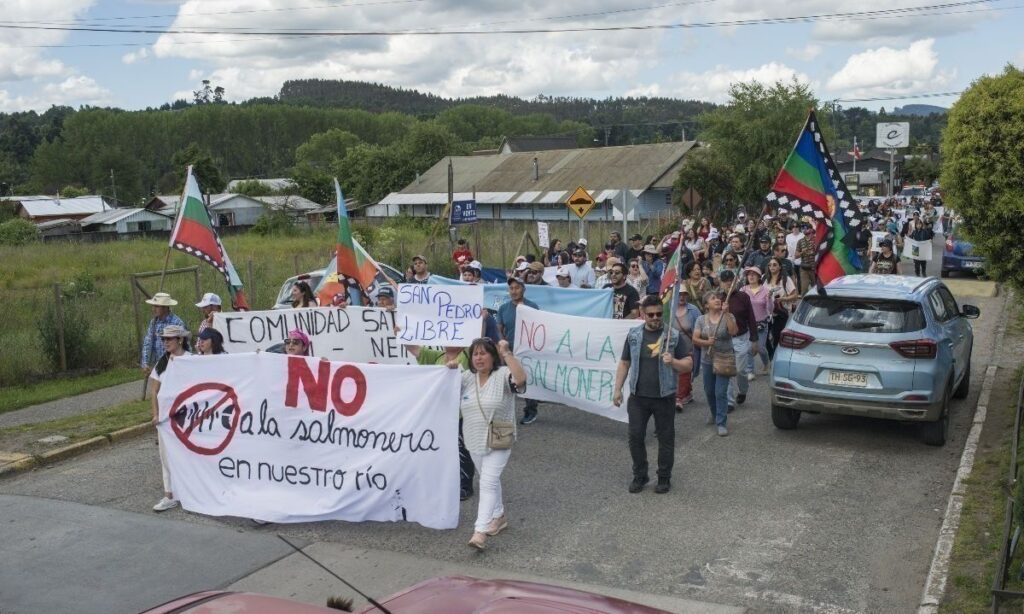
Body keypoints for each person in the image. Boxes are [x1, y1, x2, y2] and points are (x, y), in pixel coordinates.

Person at [450, 338, 527, 550]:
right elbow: (443, 390)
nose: (479, 358)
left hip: (499, 438)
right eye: (475, 354)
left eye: (484, 353)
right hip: (473, 438)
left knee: (487, 482)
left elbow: (520, 380)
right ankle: (498, 516)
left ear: (493, 356)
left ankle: (480, 530)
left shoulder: (502, 375)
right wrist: (450, 368)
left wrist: (507, 353)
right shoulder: (465, 378)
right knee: (488, 479)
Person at [612, 295, 693, 494]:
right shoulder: (634, 335)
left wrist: (673, 362)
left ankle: (664, 477)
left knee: (665, 438)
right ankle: (640, 475)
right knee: (635, 437)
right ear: (643, 315)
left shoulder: (672, 336)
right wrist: (617, 389)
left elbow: (688, 364)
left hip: (664, 397)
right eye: (651, 315)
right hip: (639, 397)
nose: (656, 317)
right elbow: (624, 363)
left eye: (659, 314)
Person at [405, 342, 475, 501]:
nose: (448, 342)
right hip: (438, 413)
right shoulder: (435, 356)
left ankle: (465, 485)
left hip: (461, 413)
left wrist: (482, 320)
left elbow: (481, 350)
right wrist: (402, 332)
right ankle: (444, 481)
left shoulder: (467, 354)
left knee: (461, 450)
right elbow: (413, 348)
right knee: (440, 449)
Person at [149, 324, 191, 512]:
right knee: (166, 457)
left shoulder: (192, 360)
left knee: (188, 455)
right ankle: (169, 494)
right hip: (166, 419)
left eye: (169, 339)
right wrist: (155, 414)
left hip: (186, 418)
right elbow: (154, 391)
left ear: (180, 340)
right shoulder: (162, 362)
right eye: (163, 339)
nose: (165, 342)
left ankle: (192, 491)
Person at [692, 290, 738, 436]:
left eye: (718, 298)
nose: (717, 300)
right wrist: (706, 342)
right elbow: (695, 339)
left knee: (720, 392)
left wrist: (727, 314)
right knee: (709, 391)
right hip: (707, 360)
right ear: (706, 305)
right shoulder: (701, 319)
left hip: (724, 358)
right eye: (713, 299)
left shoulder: (728, 316)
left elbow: (734, 331)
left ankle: (721, 422)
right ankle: (714, 412)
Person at [497, 275, 540, 425]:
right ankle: (503, 413)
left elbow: (539, 328)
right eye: (511, 288)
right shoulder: (503, 308)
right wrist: (502, 349)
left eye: (517, 287)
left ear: (524, 289)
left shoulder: (532, 307)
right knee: (506, 383)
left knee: (527, 382)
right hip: (510, 352)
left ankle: (530, 411)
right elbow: (500, 330)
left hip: (528, 351)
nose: (514, 291)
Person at [718, 270, 758, 410]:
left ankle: (742, 390)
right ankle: (729, 402)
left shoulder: (744, 297)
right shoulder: (717, 299)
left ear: (736, 281)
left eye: (731, 280)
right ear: (720, 282)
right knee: (727, 371)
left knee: (740, 370)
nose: (728, 283)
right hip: (724, 340)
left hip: (741, 338)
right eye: (725, 280)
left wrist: (754, 339)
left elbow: (751, 318)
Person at [140, 292, 186, 378]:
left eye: (157, 306)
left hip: (174, 365)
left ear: (165, 307)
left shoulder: (177, 323)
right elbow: (148, 342)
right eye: (153, 306)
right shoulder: (154, 322)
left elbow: (185, 346)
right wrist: (145, 363)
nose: (153, 309)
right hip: (159, 365)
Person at [763, 257, 799, 359]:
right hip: (768, 312)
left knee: (777, 336)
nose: (772, 267)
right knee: (764, 337)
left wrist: (783, 299)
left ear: (779, 267)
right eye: (770, 265)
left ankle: (774, 358)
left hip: (781, 312)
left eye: (774, 265)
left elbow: (795, 295)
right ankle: (771, 355)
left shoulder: (785, 279)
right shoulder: (766, 279)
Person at [672, 287, 701, 410]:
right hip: (673, 346)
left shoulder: (693, 310)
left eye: (684, 294)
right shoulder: (668, 309)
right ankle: (686, 393)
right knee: (675, 371)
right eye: (679, 294)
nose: (682, 297)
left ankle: (679, 397)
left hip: (689, 347)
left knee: (685, 372)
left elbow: (700, 326)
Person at [740, 267, 772, 375]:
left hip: (761, 323)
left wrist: (770, 299)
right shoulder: (743, 290)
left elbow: (771, 309)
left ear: (759, 277)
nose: (751, 276)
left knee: (761, 348)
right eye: (749, 274)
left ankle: (766, 363)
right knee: (749, 348)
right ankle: (750, 371)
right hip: (748, 324)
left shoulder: (766, 290)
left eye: (754, 274)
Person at [796, 223, 817, 293]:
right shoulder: (800, 241)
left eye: (806, 228)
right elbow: (796, 255)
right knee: (804, 290)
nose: (804, 230)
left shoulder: (816, 239)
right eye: (803, 228)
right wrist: (802, 252)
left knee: (817, 289)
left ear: (811, 229)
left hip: (815, 268)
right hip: (804, 268)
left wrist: (815, 247)